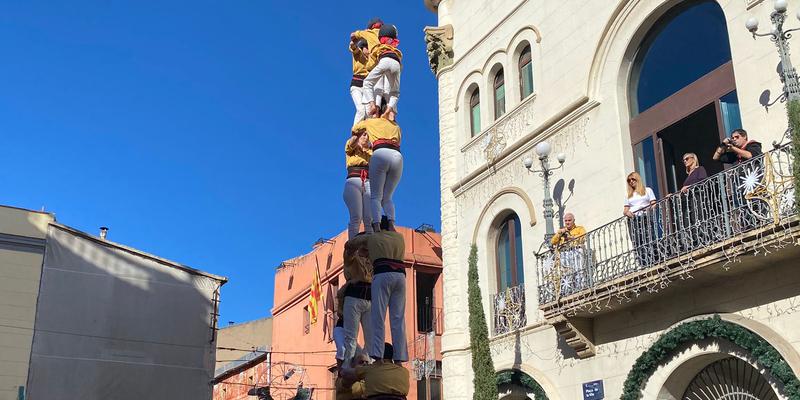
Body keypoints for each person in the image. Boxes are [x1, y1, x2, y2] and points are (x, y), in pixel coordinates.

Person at [349, 217, 407, 363]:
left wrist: (364, 235)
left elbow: (350, 244)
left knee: (378, 317)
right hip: (400, 276)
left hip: (382, 274)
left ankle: (378, 356)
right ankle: (399, 358)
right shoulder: (400, 237)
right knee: (398, 318)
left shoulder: (373, 237)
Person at [352, 111, 402, 233]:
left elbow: (354, 129)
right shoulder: (396, 126)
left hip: (380, 153)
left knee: (375, 196)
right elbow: (399, 140)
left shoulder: (370, 122)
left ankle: (377, 225)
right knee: (388, 197)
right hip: (397, 156)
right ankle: (391, 224)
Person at [341, 237, 373, 364]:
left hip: (369, 298)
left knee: (371, 338)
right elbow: (348, 246)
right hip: (354, 296)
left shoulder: (372, 259)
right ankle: (347, 365)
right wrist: (363, 239)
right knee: (351, 338)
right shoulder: (352, 258)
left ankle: (367, 364)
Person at [342, 343, 409, 400]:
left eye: (366, 362)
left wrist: (345, 365)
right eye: (361, 362)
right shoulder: (404, 372)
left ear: (378, 354)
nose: (365, 364)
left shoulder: (371, 369)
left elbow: (344, 373)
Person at [363, 24, 402, 119]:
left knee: (367, 83)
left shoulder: (379, 47)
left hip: (384, 61)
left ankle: (373, 105)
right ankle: (389, 111)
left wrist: (368, 61)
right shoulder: (396, 50)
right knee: (395, 93)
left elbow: (370, 65)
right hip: (396, 64)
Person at [623, 172, 659, 266]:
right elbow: (625, 210)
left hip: (645, 217)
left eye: (633, 179)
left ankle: (653, 259)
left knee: (649, 237)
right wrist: (627, 213)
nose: (631, 181)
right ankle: (643, 263)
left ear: (638, 179)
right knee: (637, 240)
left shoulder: (647, 190)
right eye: (629, 180)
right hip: (633, 219)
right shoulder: (628, 195)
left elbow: (653, 204)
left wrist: (648, 209)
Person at [344, 130, 373, 239]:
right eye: (364, 135)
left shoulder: (371, 151)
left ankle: (371, 243)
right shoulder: (352, 147)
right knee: (356, 217)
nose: (366, 137)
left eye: (368, 135)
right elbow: (351, 143)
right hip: (354, 180)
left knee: (369, 217)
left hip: (368, 181)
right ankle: (352, 244)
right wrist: (359, 131)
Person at [550, 212, 587, 296]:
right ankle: (567, 291)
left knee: (578, 270)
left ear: (574, 220)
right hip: (565, 253)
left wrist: (570, 237)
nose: (567, 222)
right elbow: (553, 242)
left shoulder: (579, 228)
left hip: (577, 251)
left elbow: (583, 237)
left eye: (569, 220)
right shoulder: (562, 231)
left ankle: (580, 288)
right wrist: (559, 233)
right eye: (566, 221)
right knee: (566, 273)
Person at [349, 38, 372, 125]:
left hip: (367, 88)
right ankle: (355, 130)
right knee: (361, 110)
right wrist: (354, 42)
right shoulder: (359, 54)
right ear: (362, 48)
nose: (369, 51)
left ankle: (366, 131)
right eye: (367, 48)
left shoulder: (372, 60)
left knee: (369, 112)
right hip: (357, 85)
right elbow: (353, 47)